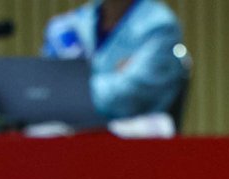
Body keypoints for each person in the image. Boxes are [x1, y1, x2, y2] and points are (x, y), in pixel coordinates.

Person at [42, 0, 186, 121]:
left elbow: (126, 96)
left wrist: (71, 89)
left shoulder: (160, 26)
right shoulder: (69, 25)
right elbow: (47, 92)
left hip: (135, 137)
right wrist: (115, 75)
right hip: (71, 131)